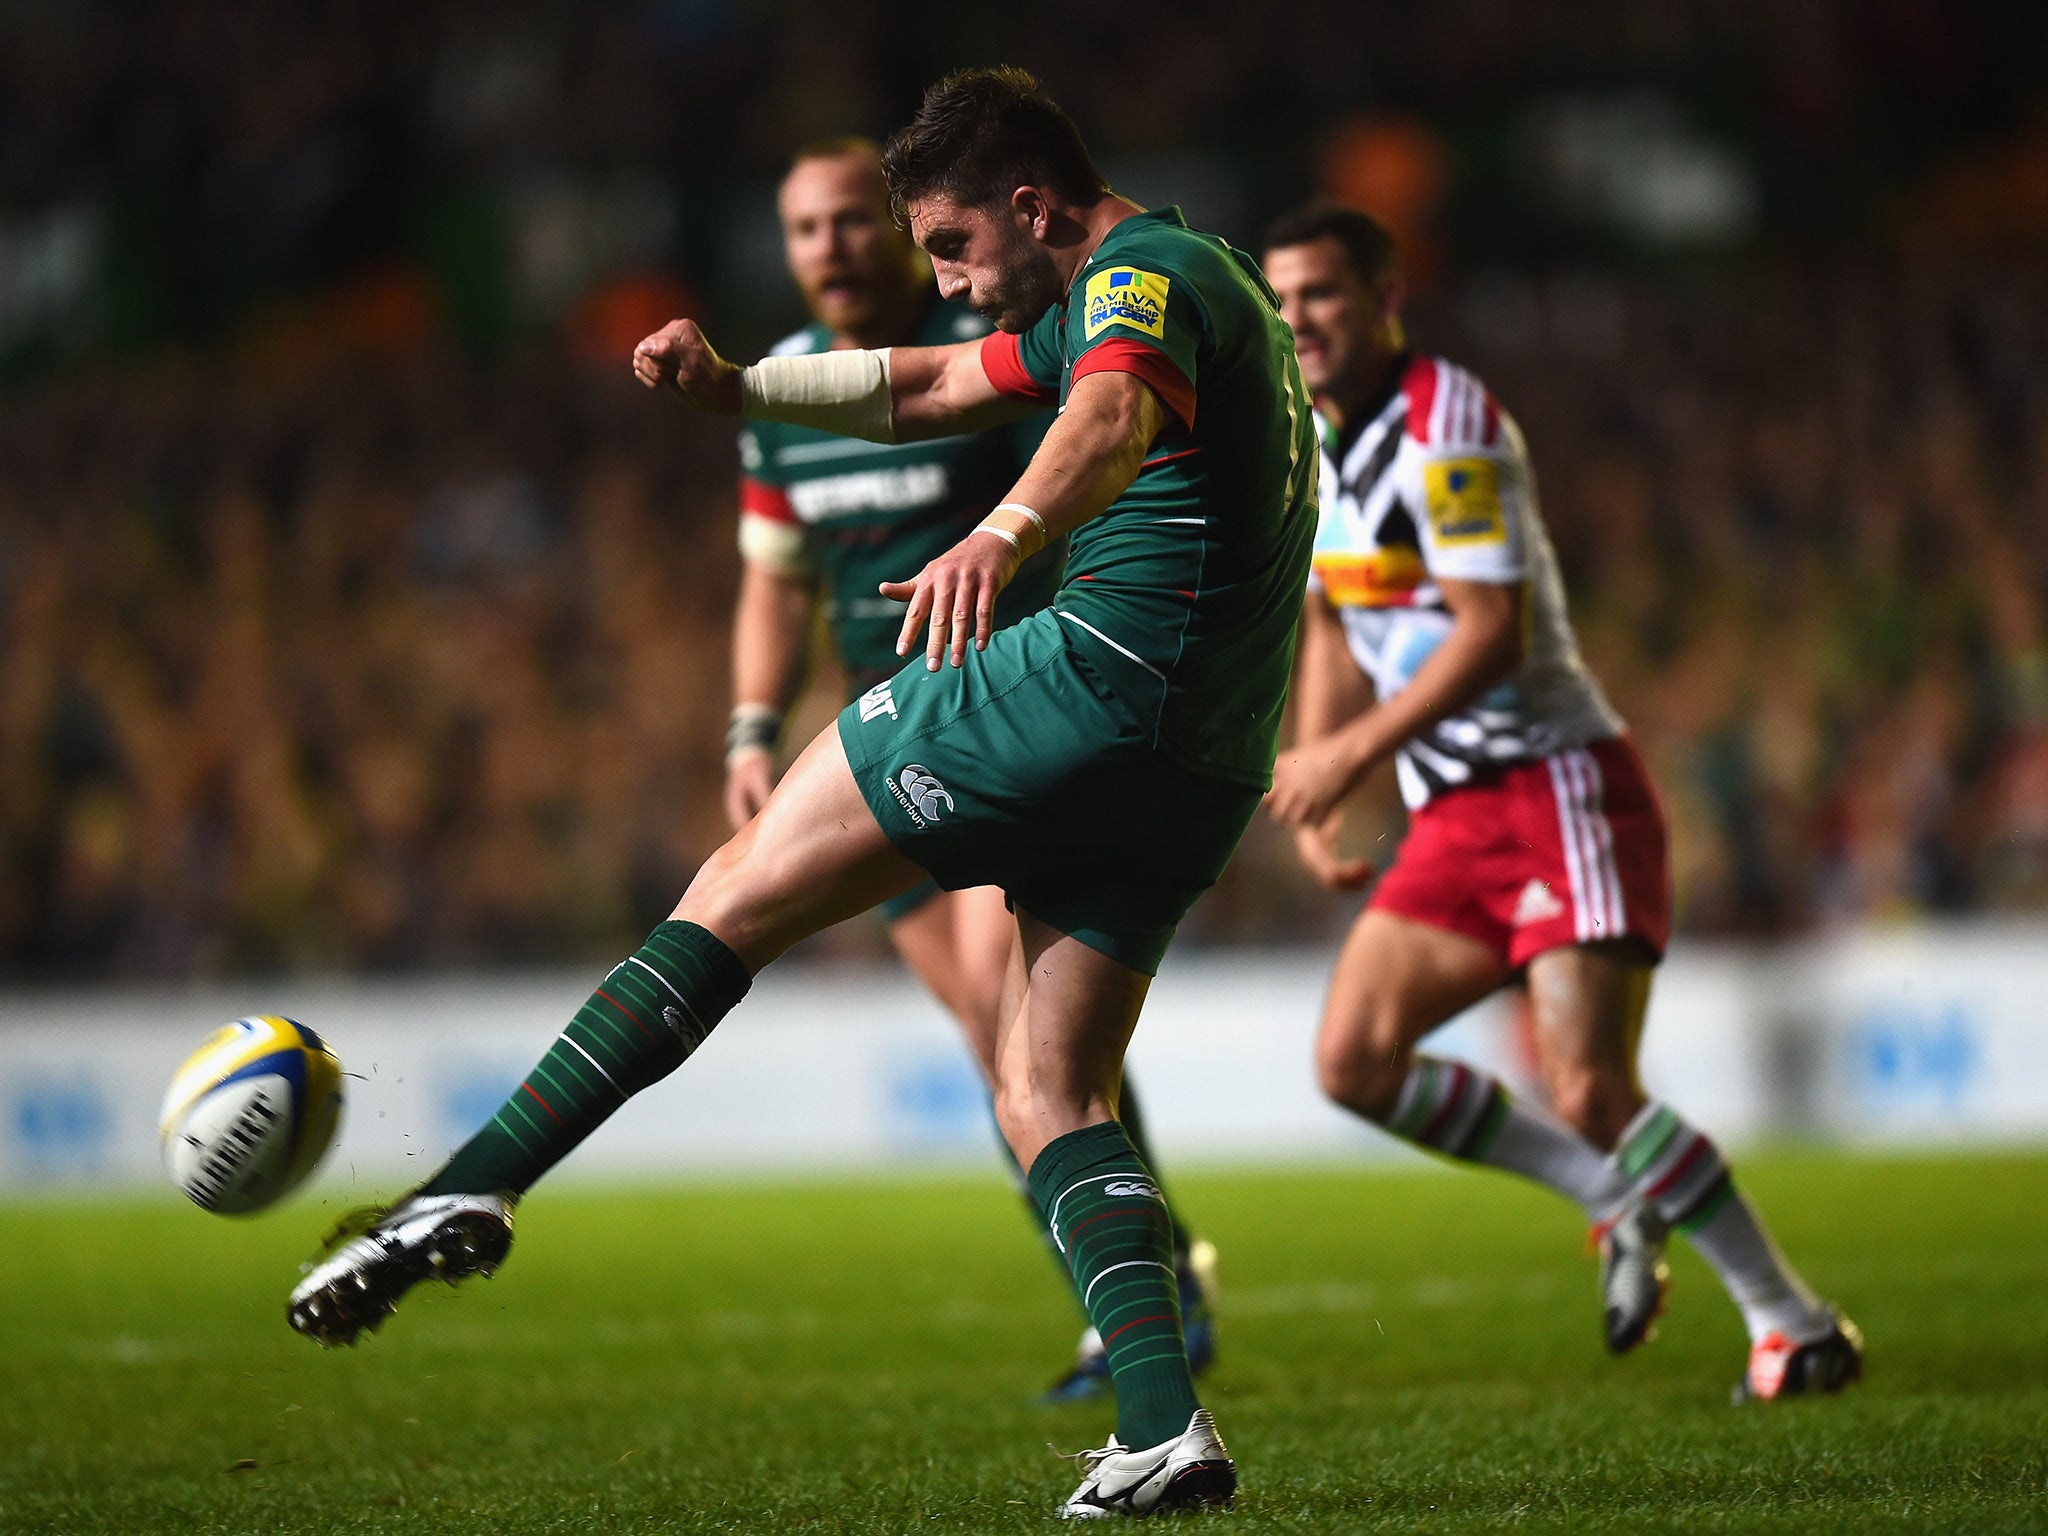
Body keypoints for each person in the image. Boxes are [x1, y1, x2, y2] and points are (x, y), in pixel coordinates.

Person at [287, 67, 1317, 1518]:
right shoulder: (1190, 285)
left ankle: (473, 1180)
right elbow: (946, 382)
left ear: (1034, 205)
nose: (944, 282)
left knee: (735, 888)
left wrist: (1005, 534)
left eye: (954, 246)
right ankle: (1164, 1424)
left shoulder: (1138, 275)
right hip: (1201, 760)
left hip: (1088, 675)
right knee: (1044, 1086)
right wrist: (739, 389)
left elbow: (1104, 427)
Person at [1259, 202, 1862, 1403]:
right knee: (1353, 1062)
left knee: (1585, 1086)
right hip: (1453, 817)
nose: (1298, 321)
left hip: (1554, 788)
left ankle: (1794, 1322)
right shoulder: (1310, 446)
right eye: (1280, 301)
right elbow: (1331, 616)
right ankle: (1606, 1195)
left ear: (1384, 298)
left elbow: (1491, 634)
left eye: (1321, 294)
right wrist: (1319, 764)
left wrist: (1347, 755)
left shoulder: (1453, 426)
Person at [723, 135, 1214, 1402]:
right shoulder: (783, 388)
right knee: (994, 1041)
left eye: (849, 222)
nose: (827, 247)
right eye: (802, 229)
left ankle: (1146, 1300)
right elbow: (773, 582)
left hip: (997, 722)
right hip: (872, 729)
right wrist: (748, 728)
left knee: (1032, 1051)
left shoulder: (995, 357)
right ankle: (1136, 1288)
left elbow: (1084, 478)